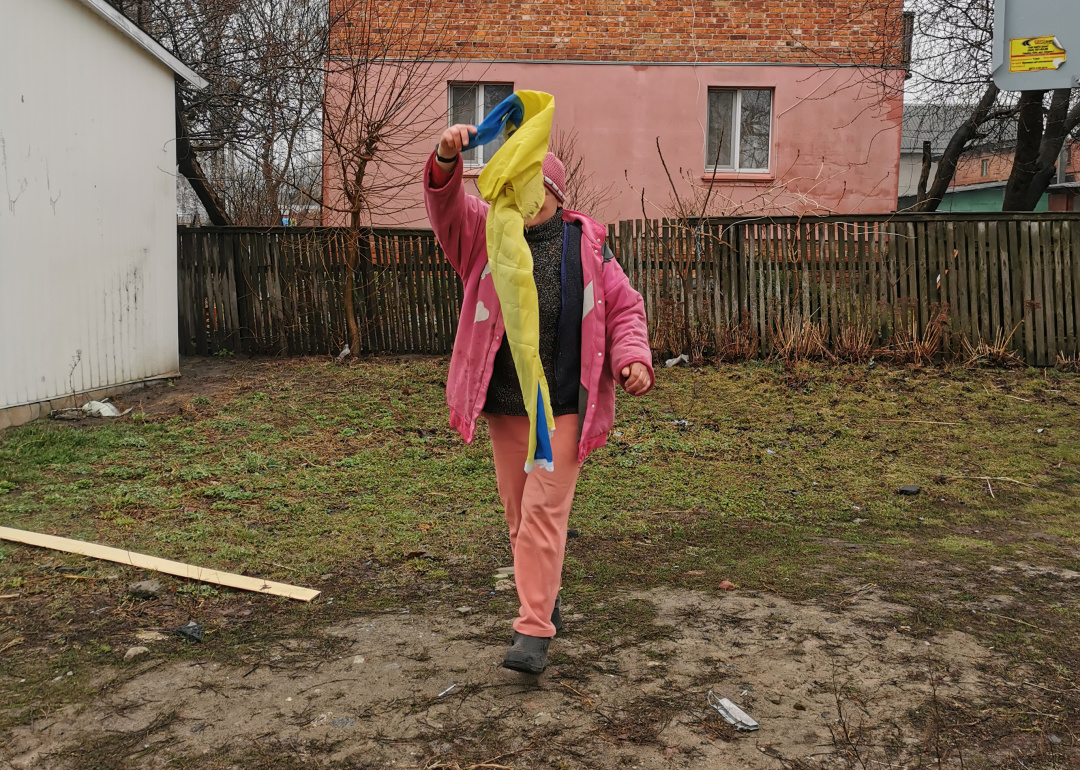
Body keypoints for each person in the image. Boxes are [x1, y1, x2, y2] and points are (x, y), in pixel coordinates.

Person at [424, 122, 654, 674]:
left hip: (565, 406)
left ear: (552, 192)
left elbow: (625, 307)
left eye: (525, 187)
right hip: (507, 403)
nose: (514, 198)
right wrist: (446, 159)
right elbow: (445, 210)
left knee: (542, 512)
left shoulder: (587, 247)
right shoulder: (484, 235)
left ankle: (532, 631)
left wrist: (632, 358)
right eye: (507, 187)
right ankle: (543, 597)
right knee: (518, 516)